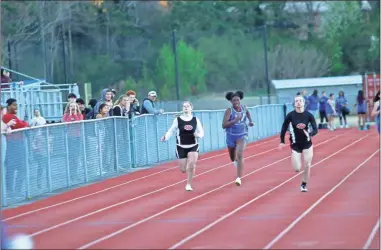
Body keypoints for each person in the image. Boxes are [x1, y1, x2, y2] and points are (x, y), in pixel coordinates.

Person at [161, 101, 204, 191]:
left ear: (191, 108)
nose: (186, 108)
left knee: (191, 164)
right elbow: (171, 130)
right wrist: (165, 137)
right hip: (181, 146)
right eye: (184, 106)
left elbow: (201, 132)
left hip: (193, 145)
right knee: (183, 169)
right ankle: (187, 167)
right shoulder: (177, 120)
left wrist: (198, 135)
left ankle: (188, 184)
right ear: (182, 108)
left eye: (187, 106)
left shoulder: (196, 119)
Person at [279, 95, 318, 192]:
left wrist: (310, 134)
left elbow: (316, 129)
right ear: (294, 103)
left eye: (300, 100)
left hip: (307, 143)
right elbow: (284, 128)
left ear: (304, 102)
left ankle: (304, 184)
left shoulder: (309, 115)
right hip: (295, 144)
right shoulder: (290, 115)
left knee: (307, 165)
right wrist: (282, 141)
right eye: (296, 101)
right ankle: (293, 156)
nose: (298, 102)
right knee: (297, 168)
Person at [222, 91, 254, 186]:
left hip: (242, 135)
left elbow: (247, 113)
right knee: (233, 158)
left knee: (240, 154)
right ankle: (236, 161)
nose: (236, 101)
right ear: (231, 102)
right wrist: (235, 120)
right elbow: (224, 125)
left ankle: (238, 178)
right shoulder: (229, 111)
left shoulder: (244, 108)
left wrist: (251, 121)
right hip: (231, 136)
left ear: (240, 100)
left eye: (237, 99)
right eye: (234, 100)